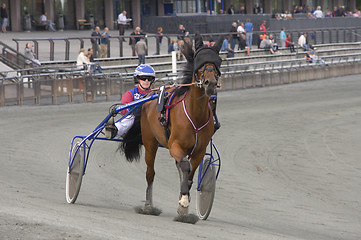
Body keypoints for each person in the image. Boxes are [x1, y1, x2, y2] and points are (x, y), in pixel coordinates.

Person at [104, 64, 156, 139]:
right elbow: (124, 109)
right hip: (135, 120)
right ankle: (114, 130)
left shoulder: (155, 94)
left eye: (149, 78)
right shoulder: (130, 94)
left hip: (151, 119)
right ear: (137, 79)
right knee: (129, 118)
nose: (146, 81)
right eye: (143, 78)